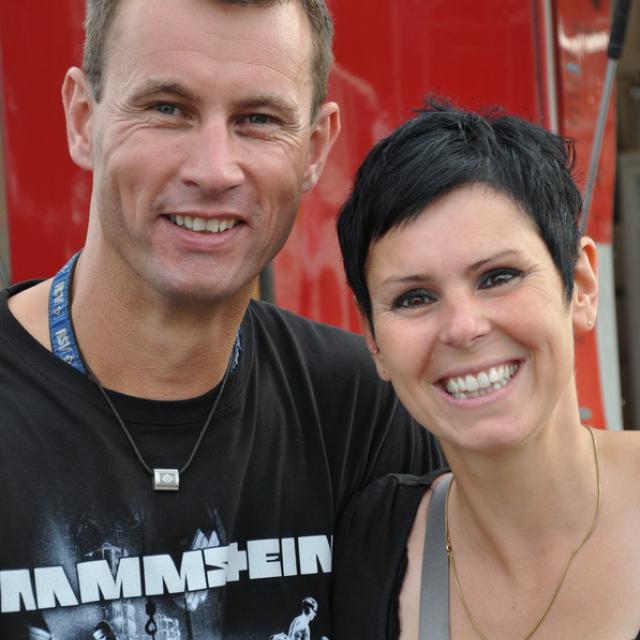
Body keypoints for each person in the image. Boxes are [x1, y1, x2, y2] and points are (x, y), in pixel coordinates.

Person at [0, 1, 444, 638]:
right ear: (82, 118)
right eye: (166, 108)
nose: (213, 171)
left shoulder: (362, 407)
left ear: (315, 148)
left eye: (258, 119)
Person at [332, 100, 640, 639]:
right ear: (374, 341)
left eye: (498, 277)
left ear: (581, 288)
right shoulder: (372, 547)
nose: (462, 327)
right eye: (414, 298)